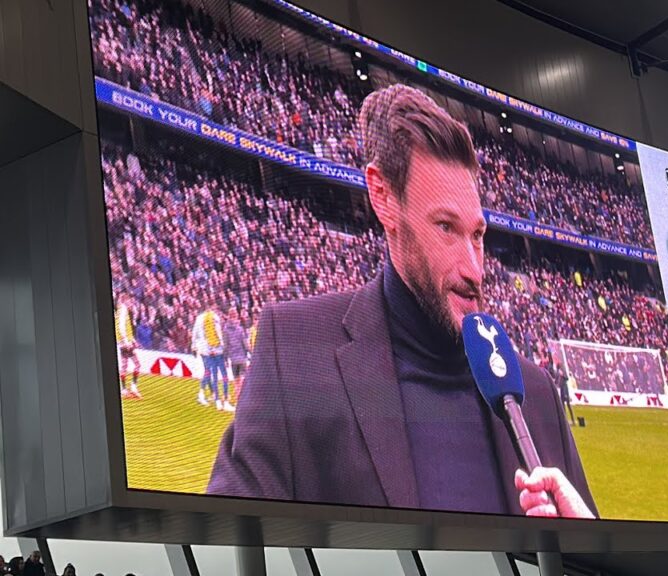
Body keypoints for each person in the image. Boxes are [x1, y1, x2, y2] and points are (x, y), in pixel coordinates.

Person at [208, 84, 596, 519]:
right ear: (385, 199)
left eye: (477, 235)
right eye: (446, 227)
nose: (474, 269)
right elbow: (227, 542)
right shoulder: (297, 352)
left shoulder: (536, 394)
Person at [192, 306, 232, 412]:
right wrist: (222, 346)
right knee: (210, 371)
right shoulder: (213, 317)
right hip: (211, 348)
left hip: (203, 348)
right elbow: (217, 334)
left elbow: (194, 333)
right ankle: (202, 394)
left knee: (209, 371)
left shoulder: (199, 318)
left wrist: (194, 346)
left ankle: (213, 394)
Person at [114, 292, 142, 399]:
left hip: (123, 342)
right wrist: (126, 341)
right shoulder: (123, 310)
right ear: (125, 300)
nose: (131, 303)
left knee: (124, 366)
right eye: (130, 300)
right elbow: (121, 327)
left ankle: (124, 389)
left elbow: (126, 327)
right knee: (137, 364)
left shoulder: (119, 310)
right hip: (125, 342)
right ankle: (133, 387)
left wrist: (132, 339)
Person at [223, 308, 248, 404]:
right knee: (243, 380)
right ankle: (243, 399)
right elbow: (245, 344)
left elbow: (226, 346)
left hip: (233, 359)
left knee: (236, 380)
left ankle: (238, 400)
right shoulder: (240, 329)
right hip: (241, 357)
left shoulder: (225, 330)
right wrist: (250, 352)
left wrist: (225, 359)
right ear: (236, 316)